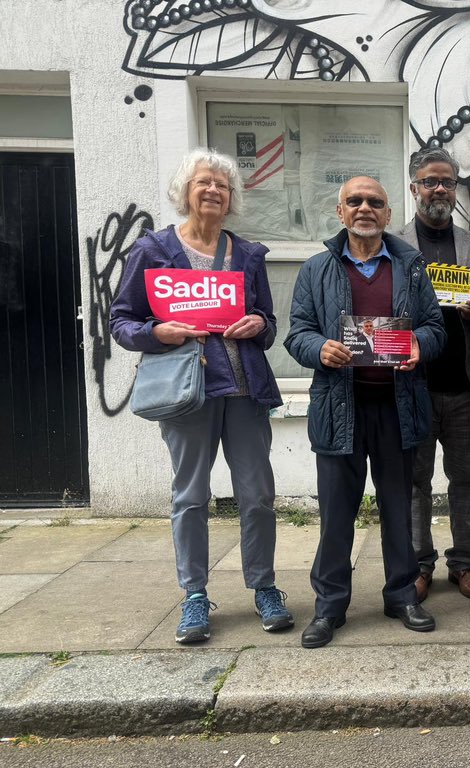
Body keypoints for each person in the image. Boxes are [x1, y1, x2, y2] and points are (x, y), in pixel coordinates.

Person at [110, 148, 292, 644]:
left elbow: (268, 324)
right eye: (203, 183)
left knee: (258, 495)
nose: (213, 191)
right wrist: (158, 332)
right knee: (190, 496)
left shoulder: (248, 254)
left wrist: (259, 324)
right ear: (185, 192)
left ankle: (264, 586)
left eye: (222, 185)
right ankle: (194, 595)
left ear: (231, 198)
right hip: (188, 393)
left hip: (244, 389)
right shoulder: (152, 250)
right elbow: (121, 322)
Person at [284, 176, 446, 648]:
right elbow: (297, 333)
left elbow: (436, 327)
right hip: (339, 409)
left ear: (388, 214)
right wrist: (320, 350)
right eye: (354, 201)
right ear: (340, 213)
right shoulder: (316, 269)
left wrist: (419, 343)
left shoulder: (412, 267)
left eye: (375, 202)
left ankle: (401, 596)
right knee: (337, 513)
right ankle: (329, 606)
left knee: (398, 509)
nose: (364, 208)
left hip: (397, 408)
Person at [393, 147, 470, 603]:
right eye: (430, 181)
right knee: (414, 483)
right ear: (414, 185)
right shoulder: (393, 244)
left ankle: (465, 564)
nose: (439, 189)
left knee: (467, 482)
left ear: (456, 189)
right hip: (413, 385)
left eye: (448, 182)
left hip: (466, 384)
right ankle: (419, 565)